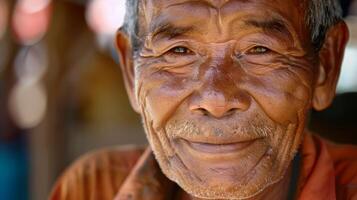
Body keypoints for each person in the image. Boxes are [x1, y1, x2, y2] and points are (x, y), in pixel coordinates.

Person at [49, 0, 357, 199]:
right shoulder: (92, 188)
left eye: (260, 50)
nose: (217, 99)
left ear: (325, 67)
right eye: (178, 51)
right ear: (132, 71)